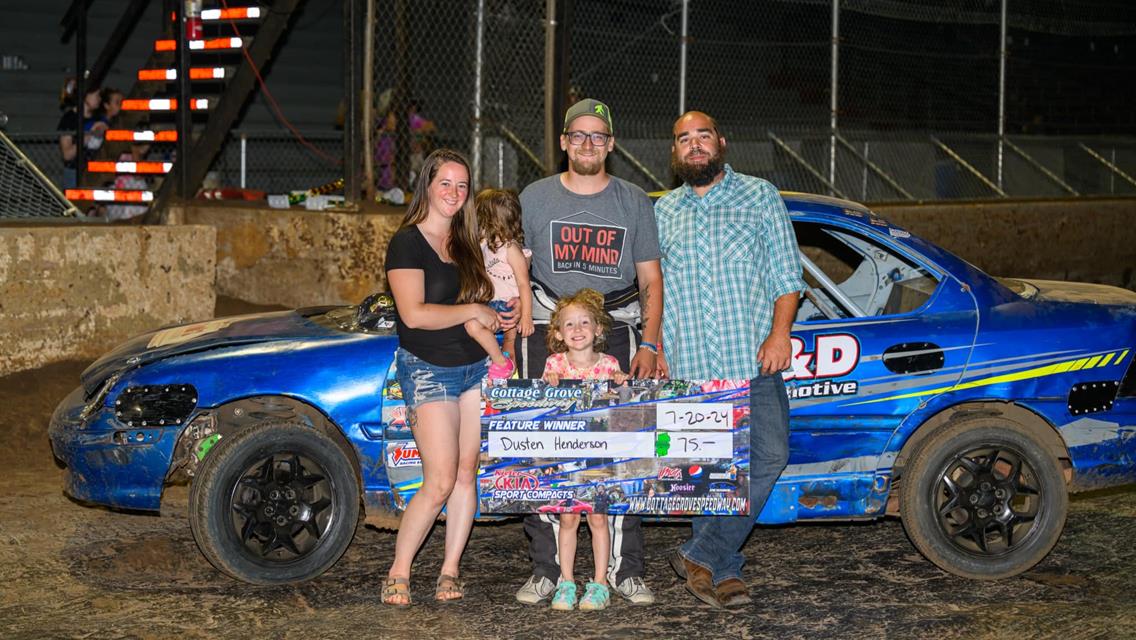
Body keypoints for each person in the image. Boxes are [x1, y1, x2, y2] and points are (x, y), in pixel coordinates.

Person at [513, 98, 663, 606]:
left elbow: (650, 279)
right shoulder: (533, 198)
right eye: (578, 135)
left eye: (598, 136)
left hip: (616, 335)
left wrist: (649, 341)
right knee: (543, 453)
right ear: (563, 142)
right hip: (546, 336)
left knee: (622, 455)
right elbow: (515, 268)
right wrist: (510, 326)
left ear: (611, 145)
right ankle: (548, 570)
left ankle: (626, 570)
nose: (587, 144)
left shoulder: (634, 200)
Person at [654, 111, 804, 608]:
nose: (694, 146)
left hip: (752, 361)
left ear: (721, 141)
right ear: (674, 152)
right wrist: (656, 350)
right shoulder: (663, 212)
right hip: (690, 368)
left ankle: (700, 552)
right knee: (708, 477)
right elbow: (653, 292)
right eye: (684, 140)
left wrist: (779, 334)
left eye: (703, 137)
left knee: (769, 456)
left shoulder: (759, 196)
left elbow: (787, 278)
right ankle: (721, 570)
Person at [381, 148, 499, 606]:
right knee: (440, 479)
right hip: (429, 371)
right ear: (427, 185)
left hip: (474, 369)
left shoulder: (467, 241)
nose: (454, 192)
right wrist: (474, 309)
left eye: (462, 185)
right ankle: (399, 570)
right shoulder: (407, 242)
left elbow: (484, 300)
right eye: (445, 182)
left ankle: (450, 570)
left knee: (467, 474)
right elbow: (413, 315)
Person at [540, 288, 628, 611]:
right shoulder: (554, 365)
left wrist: (622, 381)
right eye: (569, 325)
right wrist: (547, 383)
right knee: (567, 520)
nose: (577, 330)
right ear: (559, 334)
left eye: (584, 323)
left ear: (598, 329)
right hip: (566, 458)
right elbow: (542, 408)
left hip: (599, 457)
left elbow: (624, 407)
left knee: (599, 520)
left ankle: (600, 584)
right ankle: (566, 582)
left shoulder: (609, 365)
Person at [469, 188, 533, 372]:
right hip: (489, 303)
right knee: (472, 326)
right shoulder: (484, 245)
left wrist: (526, 316)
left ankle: (506, 368)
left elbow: (523, 283)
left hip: (508, 305)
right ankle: (500, 362)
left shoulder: (511, 249)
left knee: (510, 341)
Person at [56, 80, 107, 189]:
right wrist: (89, 134)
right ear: (85, 96)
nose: (100, 99)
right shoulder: (69, 119)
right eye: (97, 95)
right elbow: (67, 154)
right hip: (75, 172)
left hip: (95, 171)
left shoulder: (98, 117)